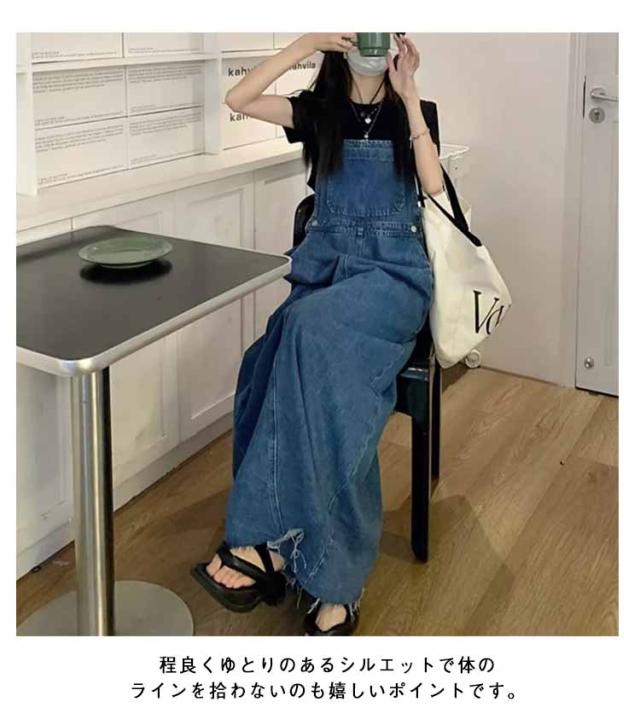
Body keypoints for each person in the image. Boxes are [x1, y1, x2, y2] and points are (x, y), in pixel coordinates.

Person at [192, 32, 444, 636]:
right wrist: (305, 43)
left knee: (304, 332)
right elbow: (238, 98)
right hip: (327, 276)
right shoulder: (318, 111)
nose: (370, 40)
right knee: (265, 362)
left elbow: (434, 188)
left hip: (393, 278)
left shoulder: (415, 109)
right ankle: (333, 578)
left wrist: (409, 94)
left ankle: (267, 539)